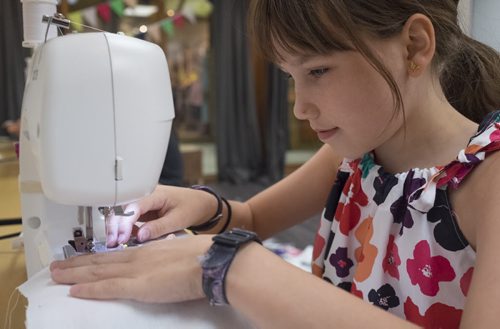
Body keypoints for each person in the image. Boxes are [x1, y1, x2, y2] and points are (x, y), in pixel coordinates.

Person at [50, 1, 500, 328]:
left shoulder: (489, 181)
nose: (300, 108)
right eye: (291, 78)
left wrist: (238, 269)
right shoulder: (355, 158)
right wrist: (204, 207)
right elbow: (254, 218)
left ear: (414, 46)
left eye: (318, 71)